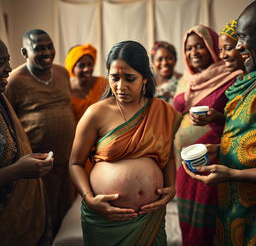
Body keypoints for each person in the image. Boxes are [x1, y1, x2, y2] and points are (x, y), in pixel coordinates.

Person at [69, 40, 181, 245]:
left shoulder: (162, 111)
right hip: (105, 220)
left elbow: (169, 158)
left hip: (150, 217)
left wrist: (172, 187)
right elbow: (75, 163)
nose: (121, 87)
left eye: (130, 79)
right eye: (114, 78)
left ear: (145, 79)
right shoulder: (96, 113)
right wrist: (89, 198)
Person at [182, 1, 256, 245]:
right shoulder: (245, 85)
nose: (238, 47)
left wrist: (233, 173)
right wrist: (221, 149)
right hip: (233, 207)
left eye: (243, 38)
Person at [173, 25, 241, 246]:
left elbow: (240, 120)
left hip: (213, 158)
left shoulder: (232, 75)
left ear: (212, 48)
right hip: (183, 162)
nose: (193, 52)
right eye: (189, 48)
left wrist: (216, 117)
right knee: (187, 220)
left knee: (208, 223)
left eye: (200, 46)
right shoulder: (187, 80)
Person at [5, 29, 76, 237]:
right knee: (43, 217)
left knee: (68, 213)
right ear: (25, 53)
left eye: (49, 46)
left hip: (67, 159)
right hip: (38, 166)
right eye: (39, 48)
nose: (47, 52)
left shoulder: (63, 73)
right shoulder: (14, 81)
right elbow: (9, 122)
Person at [0, 39, 53, 245]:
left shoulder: (1, 99)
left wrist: (26, 163)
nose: (9, 69)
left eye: (8, 61)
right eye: (1, 62)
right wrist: (18, 171)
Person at [65, 44, 107, 123]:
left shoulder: (103, 83)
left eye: (89, 64)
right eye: (81, 65)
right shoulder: (65, 88)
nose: (87, 69)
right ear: (72, 68)